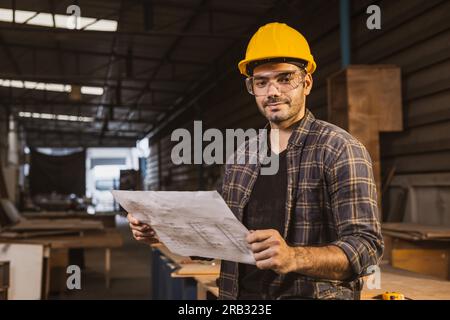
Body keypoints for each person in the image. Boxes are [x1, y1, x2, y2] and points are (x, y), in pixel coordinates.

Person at [128, 22, 383, 300]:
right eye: (261, 82)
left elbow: (367, 248)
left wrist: (293, 257)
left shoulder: (339, 149)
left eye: (285, 79)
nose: (272, 91)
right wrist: (163, 230)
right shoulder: (241, 157)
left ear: (307, 83)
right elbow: (219, 239)